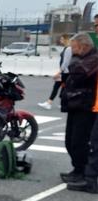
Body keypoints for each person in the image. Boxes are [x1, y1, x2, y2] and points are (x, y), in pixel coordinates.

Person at [60, 32, 98, 187]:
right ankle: (77, 169)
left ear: (85, 46)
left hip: (85, 106)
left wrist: (71, 61)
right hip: (74, 104)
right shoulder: (81, 58)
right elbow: (69, 74)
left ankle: (82, 172)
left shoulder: (93, 58)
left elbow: (79, 73)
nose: (72, 51)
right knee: (70, 139)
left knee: (79, 141)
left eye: (74, 47)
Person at [38, 33, 72, 110]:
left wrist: (59, 72)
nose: (60, 40)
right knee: (64, 88)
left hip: (65, 72)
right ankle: (63, 103)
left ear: (65, 39)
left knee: (56, 87)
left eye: (62, 39)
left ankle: (49, 103)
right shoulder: (66, 48)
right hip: (65, 72)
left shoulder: (68, 49)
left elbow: (66, 62)